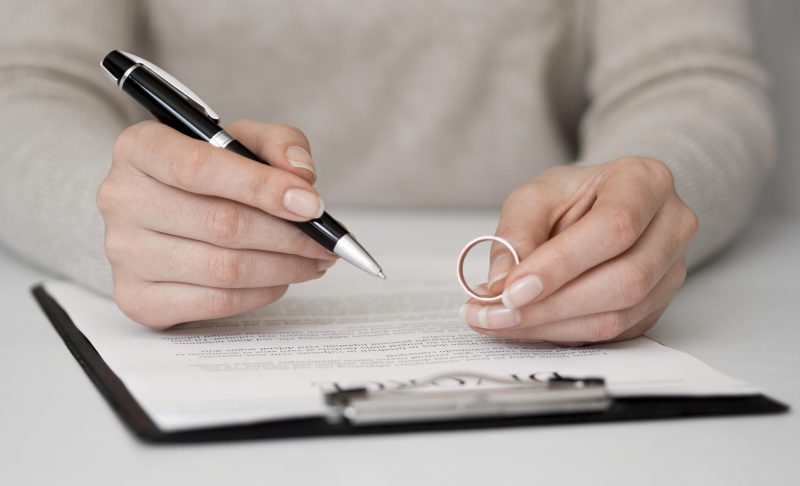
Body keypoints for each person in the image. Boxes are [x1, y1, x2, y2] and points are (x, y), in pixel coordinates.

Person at [0, 0, 774, 345]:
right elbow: (24, 87)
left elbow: (693, 80)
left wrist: (641, 205)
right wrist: (107, 215)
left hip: (539, 248)